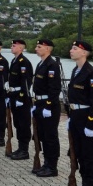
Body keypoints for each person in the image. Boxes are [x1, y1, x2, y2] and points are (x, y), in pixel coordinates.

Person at [66, 40, 93, 186]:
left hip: (86, 118)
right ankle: (84, 185)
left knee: (89, 155)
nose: (71, 51)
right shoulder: (76, 70)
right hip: (76, 116)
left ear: (84, 52)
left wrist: (91, 123)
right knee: (79, 153)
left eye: (74, 49)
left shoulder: (91, 73)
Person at [31, 39, 62, 177]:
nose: (36, 48)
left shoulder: (52, 65)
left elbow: (54, 88)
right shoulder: (41, 64)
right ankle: (45, 163)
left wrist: (48, 105)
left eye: (39, 47)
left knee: (50, 136)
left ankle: (52, 166)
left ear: (48, 49)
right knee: (41, 135)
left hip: (48, 105)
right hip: (39, 103)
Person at [7, 39, 34, 161]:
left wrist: (21, 97)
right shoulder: (14, 61)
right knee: (17, 123)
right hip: (14, 95)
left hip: (21, 97)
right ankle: (20, 148)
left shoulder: (24, 62)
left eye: (14, 46)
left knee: (23, 124)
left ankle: (24, 150)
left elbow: (26, 82)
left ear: (21, 48)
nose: (11, 47)